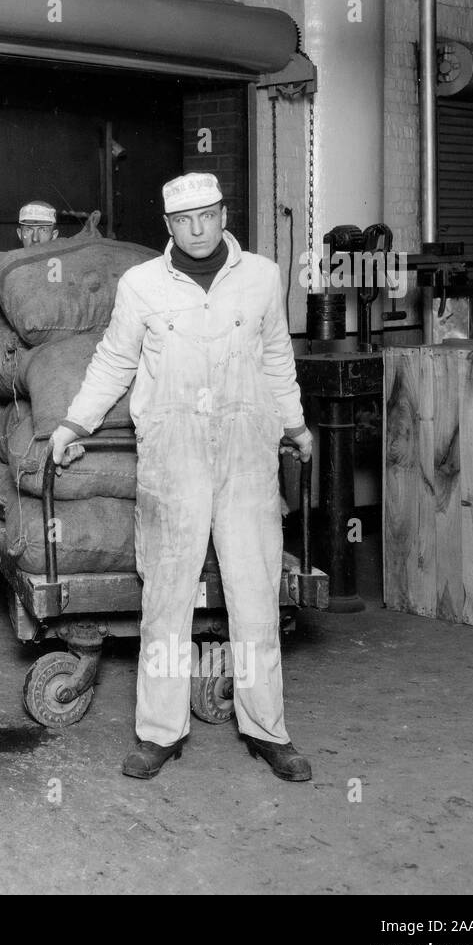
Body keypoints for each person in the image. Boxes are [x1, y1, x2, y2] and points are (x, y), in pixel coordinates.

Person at [50, 173, 315, 783]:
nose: (197, 230)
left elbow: (277, 357)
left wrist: (295, 427)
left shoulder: (262, 278)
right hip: (173, 457)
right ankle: (159, 733)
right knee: (166, 599)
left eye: (207, 216)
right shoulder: (140, 285)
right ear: (166, 226)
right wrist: (73, 424)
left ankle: (266, 730)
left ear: (224, 214)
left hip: (248, 454)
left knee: (255, 597)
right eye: (183, 220)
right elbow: (114, 360)